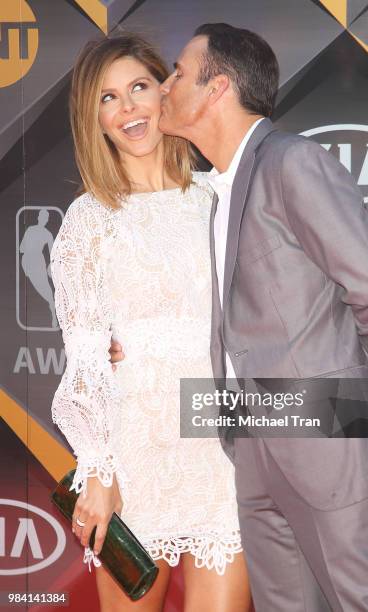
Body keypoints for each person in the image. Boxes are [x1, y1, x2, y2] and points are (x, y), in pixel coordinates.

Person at [152, 22, 368, 612]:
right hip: (253, 443)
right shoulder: (216, 193)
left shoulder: (292, 162)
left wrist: (356, 399)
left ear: (217, 87)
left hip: (334, 442)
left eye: (178, 72)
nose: (165, 85)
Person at [50, 33, 250, 612]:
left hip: (223, 452)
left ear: (166, 94)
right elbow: (86, 361)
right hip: (134, 458)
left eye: (138, 87)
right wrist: (98, 470)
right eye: (108, 99)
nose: (128, 108)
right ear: (96, 120)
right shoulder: (87, 223)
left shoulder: (220, 199)